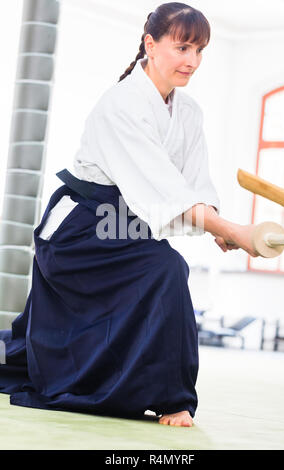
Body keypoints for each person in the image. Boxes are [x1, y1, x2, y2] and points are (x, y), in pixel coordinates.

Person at [0, 2, 258, 428]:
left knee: (161, 270)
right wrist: (230, 227)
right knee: (166, 268)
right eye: (182, 48)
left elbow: (192, 185)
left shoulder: (189, 112)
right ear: (150, 45)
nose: (192, 61)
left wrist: (217, 225)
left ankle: (152, 389)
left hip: (126, 223)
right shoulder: (122, 104)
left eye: (199, 51)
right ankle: (172, 397)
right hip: (81, 229)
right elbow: (162, 188)